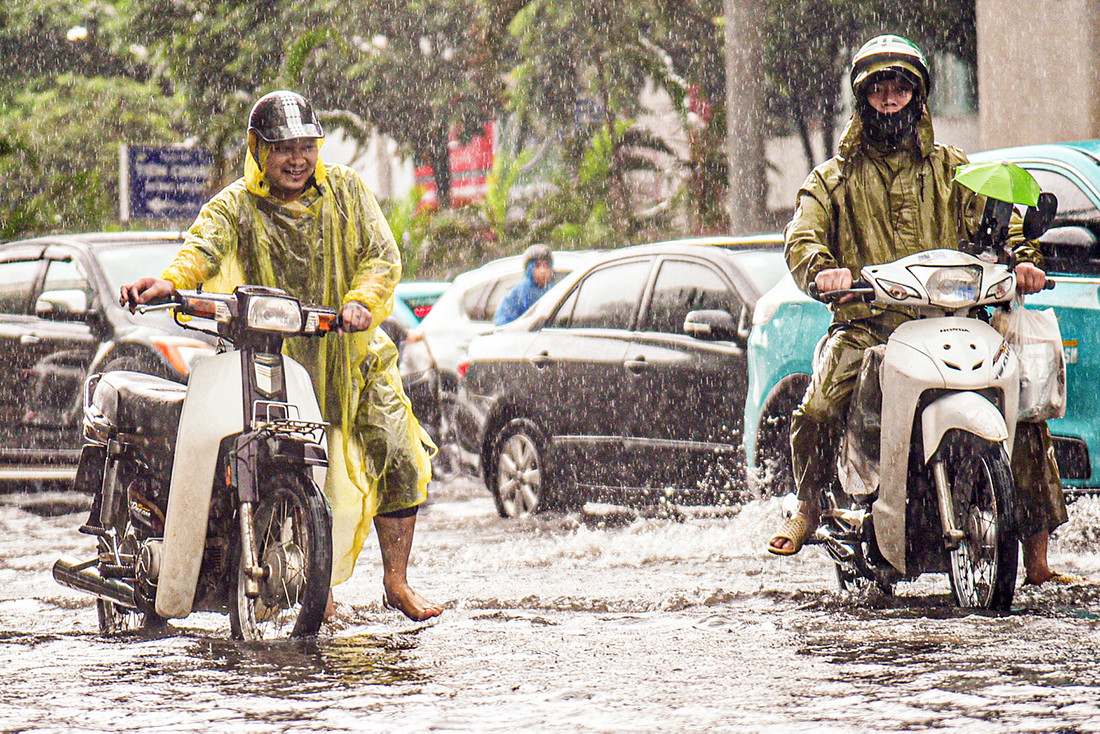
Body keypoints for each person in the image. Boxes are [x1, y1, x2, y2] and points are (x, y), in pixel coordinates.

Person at [120, 90, 445, 620]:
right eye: (283, 148)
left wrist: (362, 301)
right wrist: (170, 280)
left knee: (401, 454)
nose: (297, 159)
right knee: (281, 466)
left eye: (307, 146)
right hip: (275, 362)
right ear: (258, 149)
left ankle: (396, 580)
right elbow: (203, 245)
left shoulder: (346, 191)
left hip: (354, 355)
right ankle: (310, 584)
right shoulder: (237, 205)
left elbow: (381, 254)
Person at [766, 35, 1071, 586]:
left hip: (952, 321)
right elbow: (802, 241)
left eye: (900, 86)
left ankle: (1038, 562)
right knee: (816, 409)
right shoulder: (831, 180)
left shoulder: (955, 170)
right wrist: (822, 270)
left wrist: (1024, 262)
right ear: (863, 98)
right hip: (868, 327)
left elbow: (1009, 229)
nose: (890, 96)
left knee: (1025, 411)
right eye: (879, 87)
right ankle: (809, 508)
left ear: (918, 94)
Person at [494, 244, 555, 325]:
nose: (543, 271)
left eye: (546, 266)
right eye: (537, 266)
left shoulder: (556, 291)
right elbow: (503, 324)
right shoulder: (516, 295)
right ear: (529, 269)